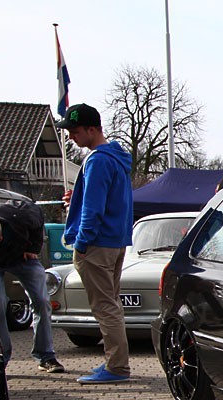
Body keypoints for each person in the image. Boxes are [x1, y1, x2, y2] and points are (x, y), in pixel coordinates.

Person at [57, 103, 135, 384]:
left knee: (105, 307)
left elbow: (94, 209)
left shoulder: (98, 160)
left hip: (96, 244)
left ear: (92, 130)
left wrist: (81, 243)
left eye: (75, 131)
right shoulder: (116, 158)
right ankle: (115, 362)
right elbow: (111, 202)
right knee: (111, 304)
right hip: (114, 241)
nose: (70, 137)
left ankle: (116, 367)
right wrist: (77, 200)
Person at [0, 203, 64, 373]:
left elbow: (38, 214)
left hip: (22, 257)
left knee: (42, 301)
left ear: (0, 238)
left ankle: (46, 356)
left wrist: (33, 248)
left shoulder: (22, 217)